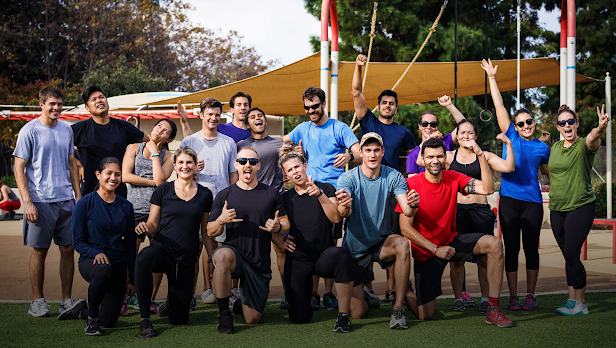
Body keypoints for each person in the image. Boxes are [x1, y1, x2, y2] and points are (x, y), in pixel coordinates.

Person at [400, 138, 514, 328]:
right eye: (430, 157)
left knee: (494, 244)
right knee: (425, 315)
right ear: (423, 158)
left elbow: (488, 188)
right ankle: (407, 293)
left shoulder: (453, 177)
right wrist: (435, 249)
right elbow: (405, 228)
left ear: (445, 157)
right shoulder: (411, 184)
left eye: (438, 156)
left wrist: (480, 156)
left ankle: (493, 309)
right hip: (427, 252)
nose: (435, 160)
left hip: (451, 241)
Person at [283, 86, 361, 310]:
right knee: (308, 241)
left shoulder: (339, 127)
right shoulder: (303, 128)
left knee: (330, 243)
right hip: (307, 192)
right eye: (307, 108)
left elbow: (359, 152)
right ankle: (313, 293)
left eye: (315, 106)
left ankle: (328, 293)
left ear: (323, 104)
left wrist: (349, 154)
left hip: (332, 193)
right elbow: (281, 141)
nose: (311, 111)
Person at [482, 59, 550, 311]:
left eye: (528, 122)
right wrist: (492, 77)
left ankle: (530, 295)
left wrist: (548, 145)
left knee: (531, 249)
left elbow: (547, 173)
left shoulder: (543, 147)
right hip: (509, 200)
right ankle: (512, 296)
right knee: (511, 249)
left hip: (533, 202)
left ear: (534, 122)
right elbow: (499, 104)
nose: (524, 126)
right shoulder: (510, 134)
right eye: (520, 123)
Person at [352, 54, 417, 304]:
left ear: (396, 108)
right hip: (367, 188)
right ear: (378, 106)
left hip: (393, 190)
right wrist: (359, 67)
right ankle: (366, 287)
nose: (388, 106)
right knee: (364, 236)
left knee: (392, 236)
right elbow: (356, 92)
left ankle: (391, 289)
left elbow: (416, 157)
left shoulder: (404, 132)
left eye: (392, 103)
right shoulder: (368, 121)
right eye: (384, 102)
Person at [336, 132, 417, 329]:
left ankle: (398, 308)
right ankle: (365, 294)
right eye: (368, 150)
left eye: (376, 150)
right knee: (357, 314)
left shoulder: (394, 175)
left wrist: (413, 205)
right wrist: (345, 205)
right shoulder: (347, 178)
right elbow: (343, 213)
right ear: (361, 153)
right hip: (355, 247)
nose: (372, 155)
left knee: (403, 243)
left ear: (382, 152)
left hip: (382, 243)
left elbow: (406, 208)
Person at [13, 86, 82, 317]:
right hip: (39, 202)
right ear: (41, 105)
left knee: (68, 249)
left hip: (66, 200)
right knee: (40, 251)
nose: (56, 108)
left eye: (60, 104)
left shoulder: (66, 130)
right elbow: (19, 167)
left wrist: (78, 195)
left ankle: (66, 300)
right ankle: (38, 301)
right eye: (52, 104)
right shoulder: (29, 131)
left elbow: (72, 163)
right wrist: (27, 202)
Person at [207, 147, 289, 334]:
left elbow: (285, 223)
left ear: (258, 166)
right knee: (221, 256)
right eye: (242, 161)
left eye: (252, 162)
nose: (247, 165)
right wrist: (221, 219)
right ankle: (224, 315)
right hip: (234, 256)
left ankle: (240, 303)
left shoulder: (271, 193)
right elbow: (210, 231)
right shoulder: (224, 195)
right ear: (236, 164)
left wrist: (277, 227)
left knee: (252, 320)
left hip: (259, 263)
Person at [133, 147, 214, 338]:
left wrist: (212, 257)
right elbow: (153, 224)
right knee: (144, 257)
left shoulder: (205, 194)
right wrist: (145, 226)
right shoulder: (162, 190)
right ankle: (145, 319)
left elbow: (205, 230)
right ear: (175, 165)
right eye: (181, 162)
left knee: (180, 319)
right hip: (162, 250)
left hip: (186, 257)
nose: (185, 166)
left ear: (195, 165)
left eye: (189, 162)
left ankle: (172, 302)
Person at [279, 144, 354, 332]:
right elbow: (274, 223)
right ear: (286, 176)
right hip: (299, 258)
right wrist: (279, 241)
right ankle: (305, 300)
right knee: (299, 318)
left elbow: (336, 217)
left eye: (297, 166)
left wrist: (319, 194)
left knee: (342, 254)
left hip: (324, 256)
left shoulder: (325, 188)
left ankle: (343, 316)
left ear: (305, 165)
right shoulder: (285, 198)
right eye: (289, 170)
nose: (295, 172)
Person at [57, 157, 136, 336]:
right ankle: (92, 320)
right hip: (91, 262)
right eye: (109, 173)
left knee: (108, 321)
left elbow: (131, 244)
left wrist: (132, 278)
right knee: (103, 270)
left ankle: (81, 312)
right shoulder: (84, 204)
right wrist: (95, 252)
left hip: (117, 265)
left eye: (117, 174)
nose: (113, 178)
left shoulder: (126, 206)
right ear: (98, 175)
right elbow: (77, 241)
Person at [179, 97, 238, 310]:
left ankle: (220, 291)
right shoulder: (189, 142)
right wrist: (193, 169)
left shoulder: (228, 142)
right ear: (201, 115)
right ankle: (191, 294)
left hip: (220, 204)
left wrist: (232, 200)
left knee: (220, 250)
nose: (213, 118)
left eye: (216, 114)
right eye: (209, 114)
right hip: (194, 203)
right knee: (193, 249)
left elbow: (233, 176)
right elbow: (180, 171)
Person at [550, 105, 608, 315]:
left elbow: (594, 138)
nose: (567, 125)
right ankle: (571, 299)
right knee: (568, 255)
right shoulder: (555, 148)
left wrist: (600, 127)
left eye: (570, 122)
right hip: (557, 208)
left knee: (573, 252)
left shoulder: (584, 145)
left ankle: (581, 303)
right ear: (558, 127)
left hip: (581, 205)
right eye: (563, 123)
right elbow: (548, 170)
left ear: (577, 124)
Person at [122, 119, 177, 315]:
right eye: (158, 126)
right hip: (133, 209)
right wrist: (152, 182)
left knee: (157, 255)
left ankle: (149, 298)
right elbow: (125, 176)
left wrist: (155, 153)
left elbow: (161, 182)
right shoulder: (133, 147)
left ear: (169, 138)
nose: (159, 131)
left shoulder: (170, 155)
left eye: (165, 131)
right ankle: (125, 296)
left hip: (158, 209)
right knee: (130, 251)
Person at [237, 107, 288, 308]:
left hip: (274, 202)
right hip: (249, 203)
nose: (257, 119)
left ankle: (287, 294)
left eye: (260, 116)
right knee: (245, 250)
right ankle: (241, 295)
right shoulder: (242, 145)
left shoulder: (279, 143)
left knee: (282, 250)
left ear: (265, 121)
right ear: (247, 123)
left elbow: (293, 162)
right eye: (252, 117)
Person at [72, 86, 148, 198]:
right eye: (93, 99)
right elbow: (58, 146)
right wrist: (77, 164)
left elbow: (149, 142)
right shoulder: (79, 129)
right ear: (87, 108)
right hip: (89, 192)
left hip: (118, 192)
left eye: (101, 97)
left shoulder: (123, 126)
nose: (99, 100)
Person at [405, 95, 466, 177]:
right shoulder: (412, 155)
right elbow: (412, 182)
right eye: (424, 124)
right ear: (419, 126)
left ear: (438, 126)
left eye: (433, 124)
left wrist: (449, 106)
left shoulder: (446, 141)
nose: (429, 127)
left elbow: (464, 126)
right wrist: (430, 138)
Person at [178, 91, 252, 143]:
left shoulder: (255, 131)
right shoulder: (220, 128)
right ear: (231, 110)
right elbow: (193, 142)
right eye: (238, 104)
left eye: (246, 105)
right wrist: (184, 122)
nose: (243, 108)